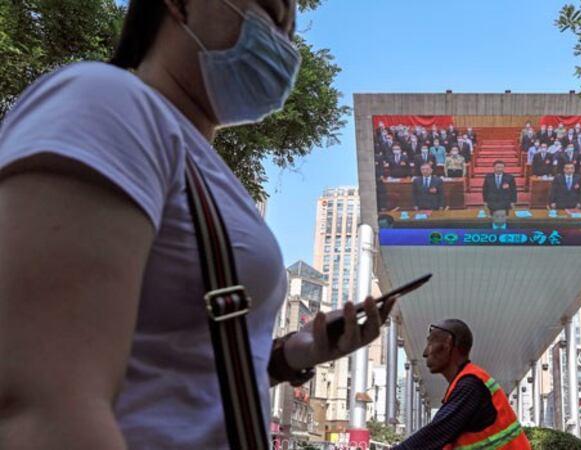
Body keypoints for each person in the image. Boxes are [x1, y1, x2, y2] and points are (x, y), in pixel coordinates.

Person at [0, 1, 396, 449]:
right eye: (269, 11)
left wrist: (292, 355)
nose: (282, 45)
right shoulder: (105, 102)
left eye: (289, 30)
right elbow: (42, 404)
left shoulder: (204, 168)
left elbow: (179, 376)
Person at [392, 320, 530, 450]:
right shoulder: (466, 384)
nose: (425, 353)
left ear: (448, 343)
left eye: (430, 343)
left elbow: (433, 435)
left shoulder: (470, 385)